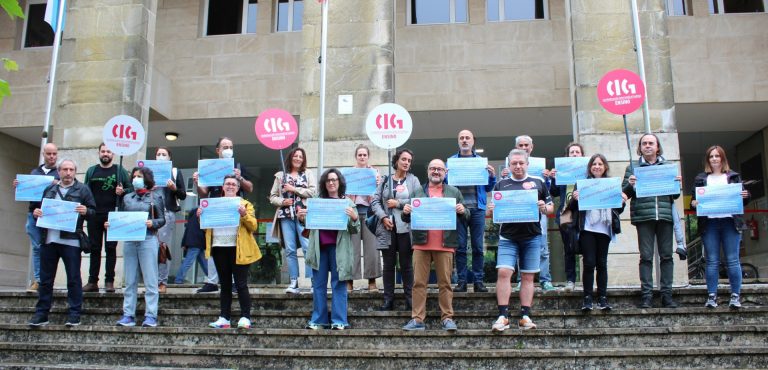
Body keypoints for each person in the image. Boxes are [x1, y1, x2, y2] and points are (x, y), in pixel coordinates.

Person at [487, 149, 553, 331]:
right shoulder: (501, 184)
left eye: (521, 163)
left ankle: (525, 315)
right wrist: (491, 209)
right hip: (507, 237)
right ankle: (503, 316)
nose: (517, 166)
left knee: (527, 276)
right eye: (514, 163)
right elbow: (489, 212)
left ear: (527, 164)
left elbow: (550, 207)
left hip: (532, 237)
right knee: (503, 273)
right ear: (509, 164)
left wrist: (544, 207)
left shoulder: (538, 182)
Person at [401, 159, 468, 332]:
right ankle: (417, 319)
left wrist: (462, 210)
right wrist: (405, 212)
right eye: (432, 168)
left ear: (445, 172)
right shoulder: (417, 191)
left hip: (445, 245)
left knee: (445, 283)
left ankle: (447, 318)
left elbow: (466, 215)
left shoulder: (454, 192)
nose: (436, 171)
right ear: (428, 171)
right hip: (421, 244)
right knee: (418, 283)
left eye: (439, 169)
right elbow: (406, 217)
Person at [28, 158, 96, 327]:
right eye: (65, 169)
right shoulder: (49, 189)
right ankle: (42, 313)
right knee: (45, 279)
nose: (68, 173)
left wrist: (86, 211)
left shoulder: (83, 189)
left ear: (75, 171)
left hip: (71, 240)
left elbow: (94, 211)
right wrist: (37, 212)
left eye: (71, 169)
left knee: (73, 278)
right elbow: (36, 208)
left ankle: (74, 314)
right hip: (49, 240)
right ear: (59, 171)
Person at [622, 133, 681, 308]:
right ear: (640, 148)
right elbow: (624, 193)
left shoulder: (668, 166)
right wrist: (630, 184)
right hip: (644, 216)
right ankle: (646, 296)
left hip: (664, 216)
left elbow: (675, 194)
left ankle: (666, 295)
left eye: (651, 143)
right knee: (646, 257)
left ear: (657, 147)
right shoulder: (632, 168)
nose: (647, 146)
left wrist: (677, 183)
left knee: (667, 256)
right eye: (644, 143)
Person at [690, 145, 750, 309]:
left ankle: (735, 295)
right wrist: (694, 203)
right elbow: (693, 202)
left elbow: (744, 198)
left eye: (718, 156)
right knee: (712, 261)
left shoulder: (733, 176)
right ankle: (711, 296)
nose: (715, 159)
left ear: (723, 159)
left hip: (730, 222)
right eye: (711, 156)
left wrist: (746, 195)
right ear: (708, 160)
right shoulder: (701, 178)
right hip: (710, 223)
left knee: (732, 260)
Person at [299, 169, 359, 330]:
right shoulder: (316, 201)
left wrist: (354, 217)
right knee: (318, 284)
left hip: (339, 249)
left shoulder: (348, 202)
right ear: (324, 184)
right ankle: (319, 320)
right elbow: (308, 225)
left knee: (339, 284)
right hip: (320, 248)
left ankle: (339, 320)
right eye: (328, 180)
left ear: (340, 182)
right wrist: (303, 218)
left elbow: (355, 229)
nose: (331, 183)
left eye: (334, 180)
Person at [200, 175, 262, 329]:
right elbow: (206, 226)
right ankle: (224, 318)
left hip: (239, 248)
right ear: (222, 187)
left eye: (234, 184)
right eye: (227, 184)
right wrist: (201, 215)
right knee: (225, 285)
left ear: (238, 188)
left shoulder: (245, 204)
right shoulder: (213, 204)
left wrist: (244, 215)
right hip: (219, 247)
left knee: (241, 284)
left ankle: (245, 317)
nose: (230, 186)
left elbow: (253, 226)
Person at [193, 137, 253, 294]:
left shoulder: (238, 166)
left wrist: (239, 177)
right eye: (225, 146)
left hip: (234, 210)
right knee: (214, 244)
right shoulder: (209, 167)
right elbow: (203, 193)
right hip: (214, 210)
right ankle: (212, 281)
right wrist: (197, 182)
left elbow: (250, 187)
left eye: (231, 147)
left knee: (233, 244)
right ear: (218, 150)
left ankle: (234, 281)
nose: (228, 149)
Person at [568, 154, 626, 311]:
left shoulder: (612, 185)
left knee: (602, 264)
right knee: (589, 263)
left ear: (605, 167)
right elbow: (571, 208)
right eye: (594, 164)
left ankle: (602, 297)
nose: (597, 166)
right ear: (590, 167)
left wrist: (622, 202)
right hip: (587, 228)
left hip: (604, 229)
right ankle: (587, 298)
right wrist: (574, 198)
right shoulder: (581, 184)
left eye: (600, 164)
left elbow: (617, 210)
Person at [109, 167, 166, 327]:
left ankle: (151, 315)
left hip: (148, 239)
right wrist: (112, 224)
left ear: (146, 178)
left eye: (139, 176)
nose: (135, 179)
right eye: (134, 176)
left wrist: (152, 223)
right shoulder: (127, 198)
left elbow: (162, 219)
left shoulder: (156, 197)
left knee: (150, 279)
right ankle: (128, 314)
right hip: (129, 240)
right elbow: (120, 217)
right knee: (130, 280)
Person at [371, 148, 421, 311]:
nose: (407, 163)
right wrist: (383, 217)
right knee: (388, 266)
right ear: (396, 161)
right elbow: (375, 201)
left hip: (406, 228)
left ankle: (410, 301)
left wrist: (398, 204)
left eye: (409, 161)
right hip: (387, 228)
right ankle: (388, 300)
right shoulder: (386, 180)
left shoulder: (413, 180)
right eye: (404, 159)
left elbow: (419, 200)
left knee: (407, 266)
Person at [447, 130, 496, 293]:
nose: (464, 140)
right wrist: (446, 176)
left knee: (478, 247)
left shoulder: (481, 162)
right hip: (458, 209)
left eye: (467, 138)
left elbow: (488, 188)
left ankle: (478, 282)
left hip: (477, 209)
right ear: (458, 141)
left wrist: (492, 176)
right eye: (461, 138)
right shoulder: (451, 162)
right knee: (460, 247)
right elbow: (446, 187)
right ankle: (461, 281)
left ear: (473, 141)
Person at [83, 143, 133, 293]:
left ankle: (109, 281)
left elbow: (131, 189)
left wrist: (122, 191)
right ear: (99, 153)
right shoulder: (92, 171)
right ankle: (92, 281)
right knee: (94, 248)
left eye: (108, 151)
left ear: (113, 154)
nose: (105, 154)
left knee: (111, 248)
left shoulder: (120, 171)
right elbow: (85, 191)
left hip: (113, 216)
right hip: (94, 215)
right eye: (103, 151)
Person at [12, 143, 59, 292]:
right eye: (49, 154)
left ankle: (47, 280)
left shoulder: (60, 173)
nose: (52, 157)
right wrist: (19, 186)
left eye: (54, 154)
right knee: (37, 248)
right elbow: (27, 193)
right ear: (43, 154)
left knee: (51, 249)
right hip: (34, 214)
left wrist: (57, 184)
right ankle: (39, 280)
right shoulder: (34, 173)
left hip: (51, 216)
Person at [269, 147, 317, 294]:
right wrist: (283, 201)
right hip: (285, 216)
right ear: (290, 158)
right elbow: (272, 197)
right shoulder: (280, 175)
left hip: (303, 215)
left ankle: (313, 281)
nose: (298, 158)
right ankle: (294, 281)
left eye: (300, 157)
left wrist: (294, 189)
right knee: (289, 250)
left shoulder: (308, 173)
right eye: (295, 156)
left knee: (307, 247)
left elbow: (313, 192)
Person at [514, 135, 555, 292]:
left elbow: (548, 193)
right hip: (519, 215)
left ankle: (545, 280)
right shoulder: (510, 166)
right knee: (520, 249)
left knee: (543, 249)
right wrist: (503, 175)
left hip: (538, 215)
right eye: (520, 145)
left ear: (532, 147)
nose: (524, 147)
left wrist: (548, 179)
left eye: (526, 145)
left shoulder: (539, 171)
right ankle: (520, 280)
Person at [548, 142, 585, 292]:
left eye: (577, 152)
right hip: (566, 213)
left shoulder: (588, 171)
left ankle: (588, 280)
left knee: (587, 245)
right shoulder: (562, 172)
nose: (575, 155)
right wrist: (554, 178)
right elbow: (554, 192)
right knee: (568, 247)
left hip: (583, 213)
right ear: (567, 155)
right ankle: (570, 280)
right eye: (572, 152)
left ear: (582, 155)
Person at [347, 145, 382, 292]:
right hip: (352, 212)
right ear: (356, 156)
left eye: (364, 155)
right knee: (351, 249)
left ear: (368, 157)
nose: (362, 157)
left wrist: (378, 183)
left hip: (369, 213)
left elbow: (379, 193)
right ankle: (349, 281)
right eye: (360, 155)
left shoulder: (375, 173)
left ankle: (372, 281)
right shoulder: (349, 173)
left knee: (372, 248)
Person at [154, 147, 187, 293]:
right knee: (148, 249)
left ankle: (162, 281)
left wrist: (174, 188)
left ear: (169, 158)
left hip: (166, 213)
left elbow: (183, 194)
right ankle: (151, 281)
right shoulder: (148, 172)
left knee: (162, 247)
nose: (161, 156)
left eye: (164, 154)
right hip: (149, 213)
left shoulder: (174, 172)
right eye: (158, 154)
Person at [174, 207, 209, 284]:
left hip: (195, 241)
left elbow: (187, 229)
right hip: (198, 241)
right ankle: (178, 279)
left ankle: (213, 279)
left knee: (203, 262)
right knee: (188, 261)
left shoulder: (192, 214)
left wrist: (184, 243)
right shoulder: (202, 214)